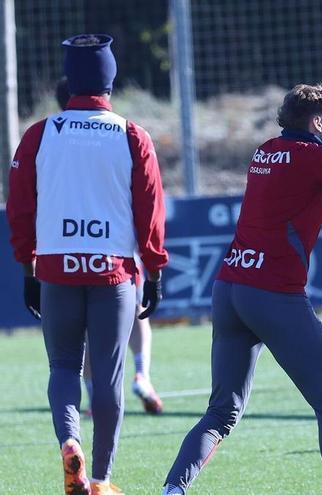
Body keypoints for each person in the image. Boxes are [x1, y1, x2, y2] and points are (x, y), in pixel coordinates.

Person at [160, 67, 322, 495]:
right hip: (272, 296)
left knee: (222, 412)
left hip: (229, 290)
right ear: (317, 123)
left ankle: (173, 488)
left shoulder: (269, 150)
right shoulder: (311, 158)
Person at [7, 34, 167, 495]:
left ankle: (69, 441)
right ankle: (100, 479)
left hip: (55, 267)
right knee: (109, 373)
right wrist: (153, 270)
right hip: (113, 269)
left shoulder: (39, 134)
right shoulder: (132, 134)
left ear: (69, 79)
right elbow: (150, 209)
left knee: (62, 368)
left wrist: (27, 267)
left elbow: (20, 208)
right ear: (111, 81)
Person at [56, 77, 165, 416]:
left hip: (67, 247)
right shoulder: (121, 134)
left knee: (83, 330)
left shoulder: (51, 137)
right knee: (137, 314)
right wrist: (154, 263)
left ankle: (91, 398)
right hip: (118, 245)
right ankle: (142, 374)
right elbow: (147, 198)